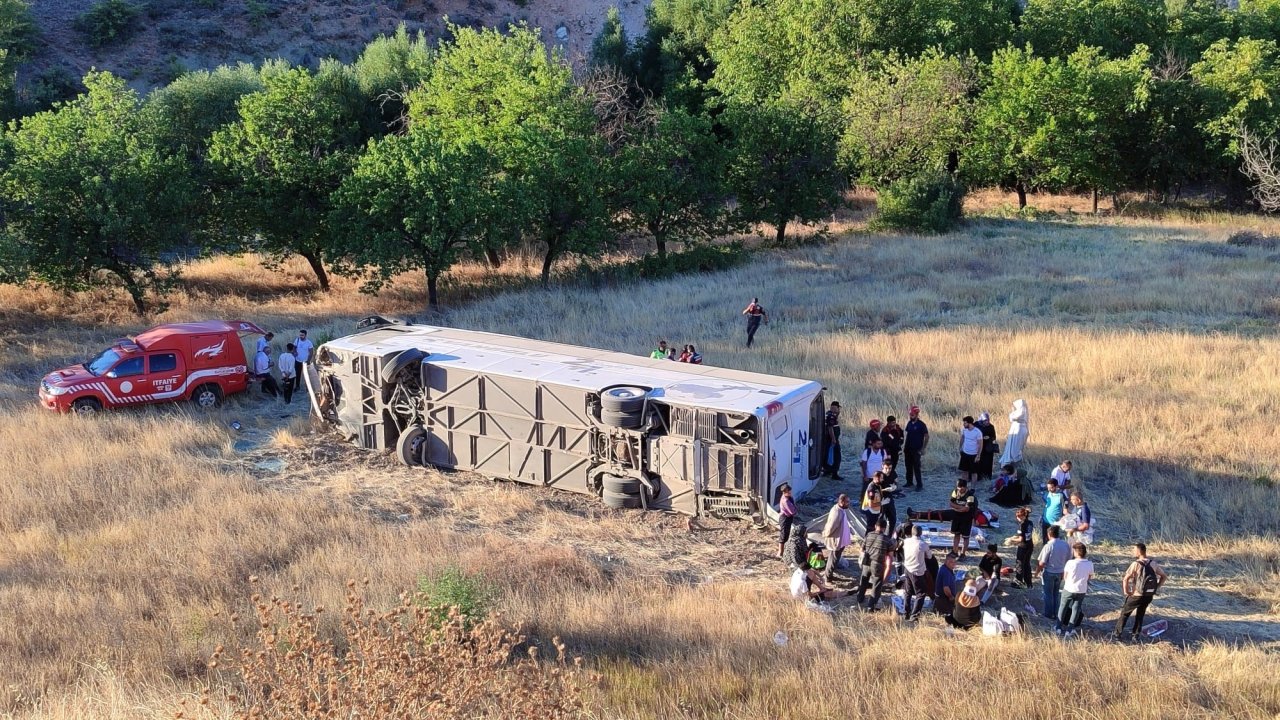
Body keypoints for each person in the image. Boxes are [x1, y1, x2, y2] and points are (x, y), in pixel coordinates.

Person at [1114, 543, 1168, 641]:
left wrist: (1127, 591)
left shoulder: (1135, 564)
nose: (1133, 551)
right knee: (1140, 614)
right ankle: (1135, 635)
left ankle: (1117, 634)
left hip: (1136, 594)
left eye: (1134, 550)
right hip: (1148, 595)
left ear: (1139, 552)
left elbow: (1126, 579)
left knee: (1125, 613)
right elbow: (1164, 576)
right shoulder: (1153, 563)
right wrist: (1156, 587)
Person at [856, 517, 893, 611]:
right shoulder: (887, 539)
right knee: (876, 585)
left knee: (863, 580)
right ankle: (870, 606)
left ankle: (860, 598)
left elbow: (862, 549)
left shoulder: (869, 535)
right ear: (885, 528)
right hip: (878, 565)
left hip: (866, 562)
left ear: (875, 526)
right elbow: (890, 556)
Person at [1057, 543, 1094, 637]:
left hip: (1069, 588)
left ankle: (1058, 627)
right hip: (1081, 589)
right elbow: (1089, 577)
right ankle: (1070, 629)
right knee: (1076, 609)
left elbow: (1065, 577)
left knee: (1063, 607)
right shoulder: (1089, 564)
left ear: (1076, 552)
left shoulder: (1070, 563)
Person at [1036, 525, 1071, 620]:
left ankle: (1048, 614)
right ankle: (1056, 613)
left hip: (1049, 572)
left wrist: (1037, 572)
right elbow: (1069, 559)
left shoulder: (1048, 546)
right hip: (1060, 572)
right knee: (1056, 594)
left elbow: (1042, 562)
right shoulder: (1065, 544)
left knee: (1048, 594)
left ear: (1049, 534)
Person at [901, 524, 931, 621]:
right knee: (921, 593)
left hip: (907, 568)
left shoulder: (906, 541)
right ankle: (914, 615)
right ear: (921, 533)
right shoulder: (923, 544)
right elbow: (929, 557)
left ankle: (906, 612)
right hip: (917, 571)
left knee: (908, 592)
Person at [822, 494, 854, 581]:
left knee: (835, 558)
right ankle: (828, 577)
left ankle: (829, 574)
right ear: (841, 502)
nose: (848, 504)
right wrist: (826, 534)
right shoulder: (837, 512)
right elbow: (831, 527)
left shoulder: (841, 510)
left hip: (840, 539)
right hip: (836, 540)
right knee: (833, 559)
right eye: (847, 502)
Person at [949, 478, 977, 558]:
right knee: (956, 534)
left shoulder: (970, 495)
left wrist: (957, 508)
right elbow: (951, 503)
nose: (960, 489)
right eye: (958, 487)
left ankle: (963, 554)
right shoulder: (955, 491)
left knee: (965, 537)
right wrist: (960, 508)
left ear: (965, 487)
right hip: (956, 517)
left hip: (966, 518)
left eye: (962, 487)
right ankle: (954, 551)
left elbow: (967, 509)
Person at [903, 405, 929, 490]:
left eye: (912, 415)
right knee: (908, 466)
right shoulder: (909, 423)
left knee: (916, 467)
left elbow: (927, 436)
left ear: (917, 414)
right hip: (908, 448)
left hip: (917, 449)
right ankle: (909, 482)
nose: (911, 416)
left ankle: (919, 485)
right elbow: (907, 434)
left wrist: (923, 448)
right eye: (910, 414)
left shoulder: (922, 425)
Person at [998, 399, 1029, 467]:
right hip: (1018, 429)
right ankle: (1013, 459)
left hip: (1018, 430)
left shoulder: (1021, 411)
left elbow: (1013, 417)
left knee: (1015, 447)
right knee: (1013, 446)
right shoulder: (1021, 411)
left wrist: (1012, 412)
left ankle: (1013, 460)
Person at [1013, 506, 1035, 589]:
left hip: (1023, 546)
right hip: (1030, 545)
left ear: (1022, 516)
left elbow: (1021, 538)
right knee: (1027, 564)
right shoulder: (1030, 523)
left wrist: (1012, 541)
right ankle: (1028, 582)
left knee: (1020, 564)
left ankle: (1018, 582)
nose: (1017, 518)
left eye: (1018, 517)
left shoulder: (1022, 525)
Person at [958, 415, 983, 485]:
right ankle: (963, 486)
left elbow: (980, 444)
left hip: (973, 455)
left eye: (965, 423)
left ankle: (973, 488)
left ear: (970, 423)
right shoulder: (964, 430)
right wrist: (960, 447)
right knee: (964, 471)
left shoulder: (977, 432)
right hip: (965, 453)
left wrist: (978, 455)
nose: (964, 424)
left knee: (974, 473)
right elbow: (962, 438)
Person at [821, 401, 843, 480]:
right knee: (836, 456)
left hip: (828, 440)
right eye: (837, 408)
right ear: (835, 408)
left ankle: (827, 470)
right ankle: (834, 473)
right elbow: (830, 428)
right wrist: (833, 439)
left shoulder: (829, 414)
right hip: (832, 440)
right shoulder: (831, 416)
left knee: (827, 455)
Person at [975, 412, 998, 483]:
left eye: (988, 420)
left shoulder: (991, 427)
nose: (987, 422)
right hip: (978, 446)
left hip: (987, 448)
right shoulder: (976, 425)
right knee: (977, 462)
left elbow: (994, 437)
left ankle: (986, 477)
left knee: (987, 463)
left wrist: (989, 438)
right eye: (985, 420)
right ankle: (977, 477)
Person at [1042, 479, 1066, 544]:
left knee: (1053, 541)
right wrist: (1041, 516)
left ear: (1056, 486)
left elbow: (1065, 507)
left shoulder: (1061, 495)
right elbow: (1046, 506)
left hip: (1055, 522)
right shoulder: (1046, 494)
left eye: (1051, 488)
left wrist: (1063, 518)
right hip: (1045, 520)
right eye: (1048, 488)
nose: (1049, 489)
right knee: (1045, 541)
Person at [777, 484, 797, 560]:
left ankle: (784, 550)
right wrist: (795, 511)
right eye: (789, 491)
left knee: (786, 534)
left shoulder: (788, 497)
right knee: (784, 535)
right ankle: (780, 552)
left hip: (787, 518)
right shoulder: (785, 501)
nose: (790, 493)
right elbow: (792, 511)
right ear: (784, 492)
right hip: (785, 518)